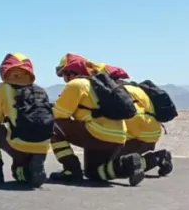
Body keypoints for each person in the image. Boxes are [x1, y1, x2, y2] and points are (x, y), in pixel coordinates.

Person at [50, 53, 146, 186]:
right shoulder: (98, 85)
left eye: (65, 75)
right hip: (119, 138)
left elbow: (58, 115)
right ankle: (129, 163)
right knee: (94, 173)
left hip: (98, 133)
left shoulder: (76, 84)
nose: (65, 80)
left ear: (72, 72)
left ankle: (70, 169)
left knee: (52, 126)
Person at [0, 52, 53, 188]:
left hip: (20, 142)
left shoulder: (3, 88)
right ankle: (36, 162)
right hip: (43, 145)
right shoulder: (40, 91)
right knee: (21, 175)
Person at [103, 65, 174, 176]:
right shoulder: (135, 88)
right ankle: (157, 157)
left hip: (139, 134)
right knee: (116, 163)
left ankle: (157, 157)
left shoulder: (118, 92)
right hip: (151, 132)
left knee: (114, 164)